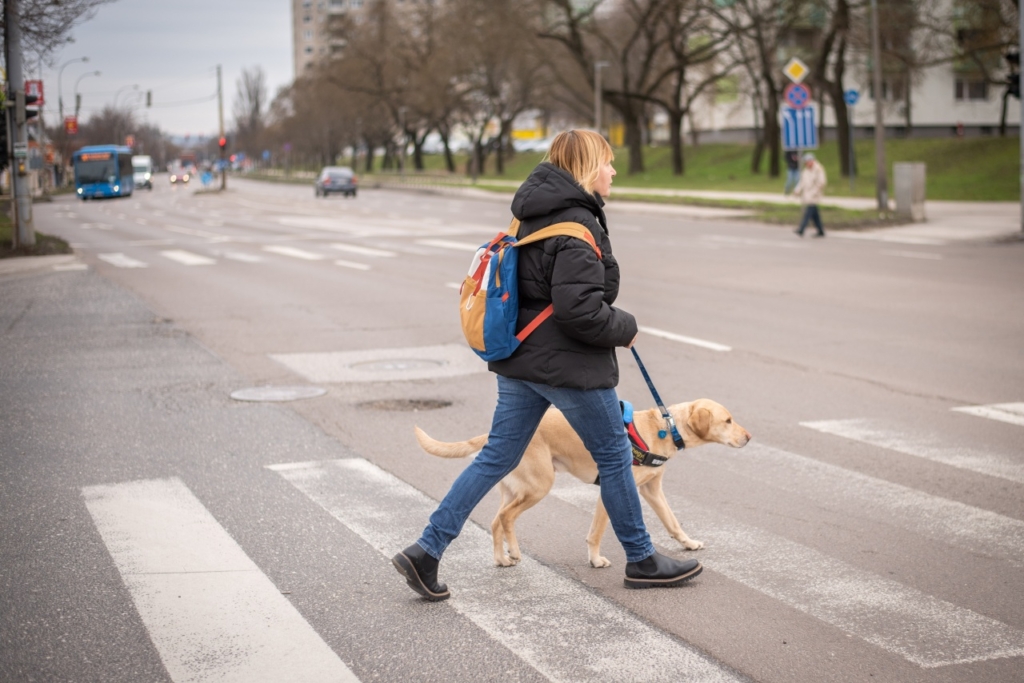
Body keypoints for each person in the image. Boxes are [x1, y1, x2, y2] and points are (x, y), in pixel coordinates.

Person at [392, 129, 703, 601]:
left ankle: (426, 550)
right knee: (617, 456)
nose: (613, 171)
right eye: (607, 163)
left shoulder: (529, 214)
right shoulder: (577, 225)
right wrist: (625, 326)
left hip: (523, 360)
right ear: (586, 167)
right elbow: (580, 310)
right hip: (569, 367)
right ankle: (641, 559)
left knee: (497, 456)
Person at [793, 152, 827, 237]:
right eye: (806, 162)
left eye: (808, 161)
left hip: (815, 194)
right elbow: (802, 181)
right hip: (807, 194)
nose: (807, 163)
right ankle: (820, 230)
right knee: (814, 214)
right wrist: (797, 190)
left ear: (812, 161)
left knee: (808, 212)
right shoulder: (806, 170)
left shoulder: (818, 169)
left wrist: (814, 193)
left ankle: (802, 228)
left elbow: (822, 182)